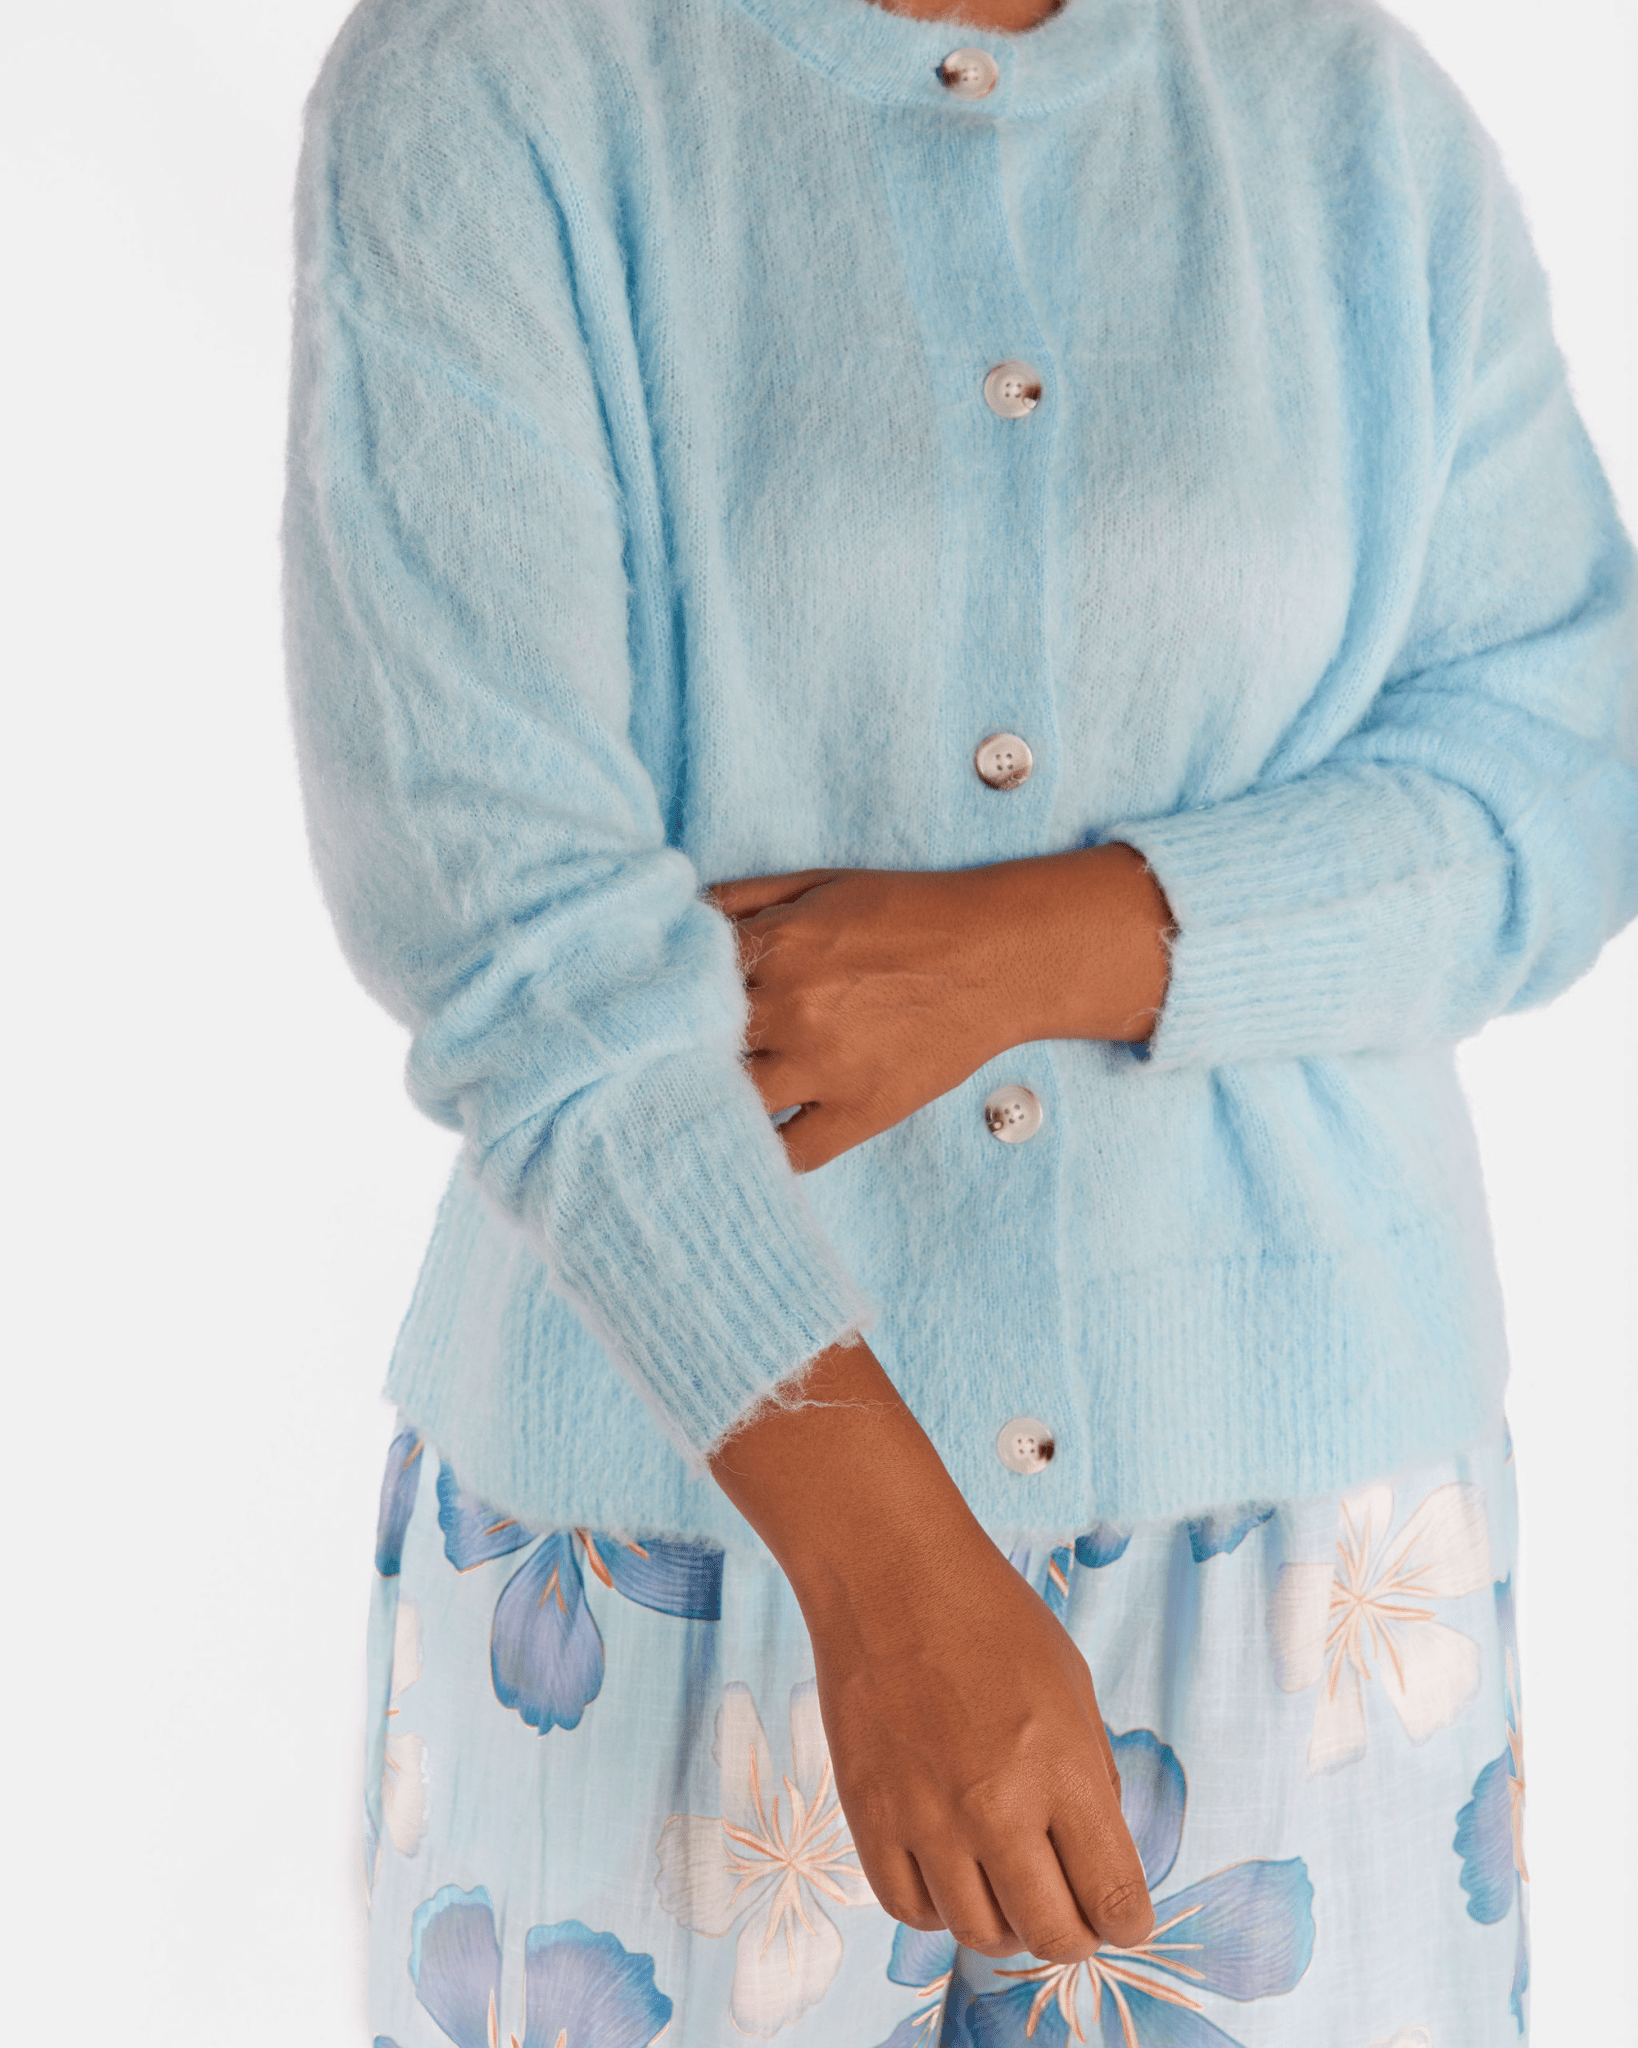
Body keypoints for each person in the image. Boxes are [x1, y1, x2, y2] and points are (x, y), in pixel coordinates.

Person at [283, 0, 1637, 2040]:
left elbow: (1571, 757)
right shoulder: (496, 86)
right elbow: (503, 906)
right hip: (670, 1550)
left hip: (1313, 1580)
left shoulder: (1349, 119)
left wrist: (1047, 949)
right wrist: (884, 1564)